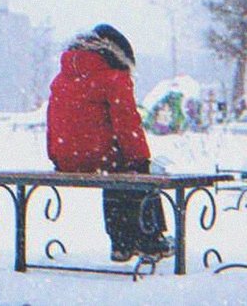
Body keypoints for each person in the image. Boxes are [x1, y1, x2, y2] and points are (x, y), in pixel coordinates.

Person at [46, 24, 174, 262]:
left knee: (114, 168)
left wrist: (57, 156)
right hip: (100, 159)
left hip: (66, 159)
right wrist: (142, 160)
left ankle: (121, 243)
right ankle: (150, 240)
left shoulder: (61, 79)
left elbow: (54, 122)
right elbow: (128, 125)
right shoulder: (115, 77)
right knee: (135, 170)